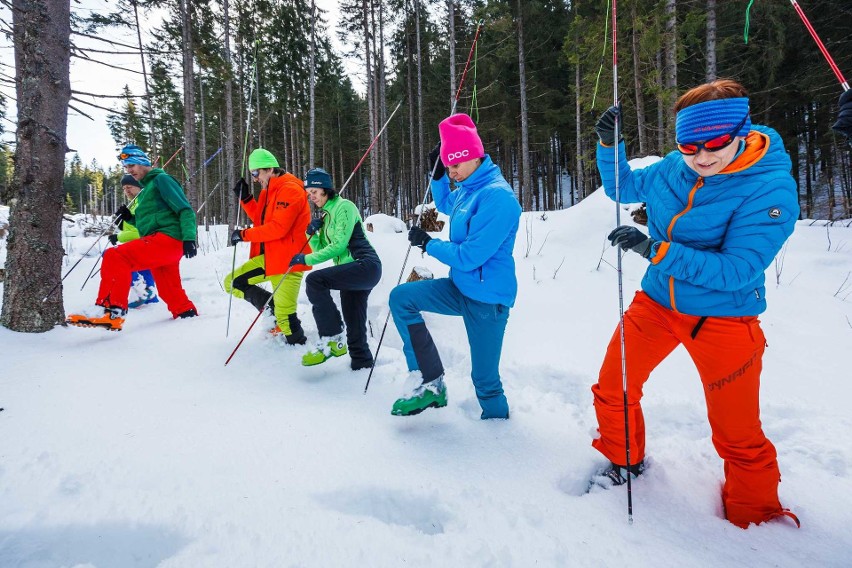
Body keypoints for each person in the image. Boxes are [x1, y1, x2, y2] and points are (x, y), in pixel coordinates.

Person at [591, 79, 800, 529]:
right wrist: (610, 145)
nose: (702, 157)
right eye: (690, 147)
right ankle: (623, 460)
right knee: (614, 387)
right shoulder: (674, 168)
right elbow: (624, 187)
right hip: (656, 305)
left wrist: (656, 251)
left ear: (740, 132)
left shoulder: (770, 187)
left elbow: (737, 270)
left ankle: (756, 517)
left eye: (716, 144)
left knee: (737, 433)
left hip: (724, 318)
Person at [388, 113, 521, 420]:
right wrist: (436, 176)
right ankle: (429, 381)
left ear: (475, 157)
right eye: (448, 166)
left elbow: (470, 256)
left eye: (456, 165)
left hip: (488, 300)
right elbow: (449, 205)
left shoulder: (497, 197)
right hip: (460, 287)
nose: (453, 172)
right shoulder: (470, 188)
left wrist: (429, 243)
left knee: (485, 380)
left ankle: (501, 434)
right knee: (401, 298)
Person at [66, 144, 198, 331]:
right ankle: (188, 316)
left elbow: (185, 209)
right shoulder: (147, 190)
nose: (129, 170)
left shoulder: (162, 180)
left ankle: (111, 311)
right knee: (169, 290)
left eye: (132, 166)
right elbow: (151, 221)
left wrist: (189, 238)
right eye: (126, 167)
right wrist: (130, 218)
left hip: (169, 239)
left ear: (142, 162)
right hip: (163, 240)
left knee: (116, 256)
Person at [291, 168, 381, 370]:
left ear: (325, 189)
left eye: (314, 191)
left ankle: (331, 337)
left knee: (315, 280)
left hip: (365, 264)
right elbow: (320, 248)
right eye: (309, 193)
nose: (311, 197)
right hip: (351, 271)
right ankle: (362, 363)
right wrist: (311, 233)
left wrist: (305, 258)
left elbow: (339, 246)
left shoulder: (344, 207)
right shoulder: (326, 215)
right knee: (353, 320)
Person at [226, 148, 311, 345]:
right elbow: (261, 219)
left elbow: (278, 228)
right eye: (252, 174)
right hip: (271, 258)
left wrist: (243, 234)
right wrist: (246, 199)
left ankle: (297, 348)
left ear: (270, 169)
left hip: (288, 261)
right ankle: (271, 305)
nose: (255, 179)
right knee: (232, 281)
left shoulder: (290, 190)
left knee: (286, 319)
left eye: (256, 173)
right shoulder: (268, 191)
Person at [108, 174, 159, 309]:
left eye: (130, 187)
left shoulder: (142, 203)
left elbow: (139, 231)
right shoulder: (133, 204)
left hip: (147, 243)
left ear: (139, 187)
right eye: (124, 188)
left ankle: (139, 290)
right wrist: (121, 223)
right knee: (144, 269)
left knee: (114, 257)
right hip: (140, 244)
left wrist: (118, 237)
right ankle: (150, 297)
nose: (127, 191)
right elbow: (132, 227)